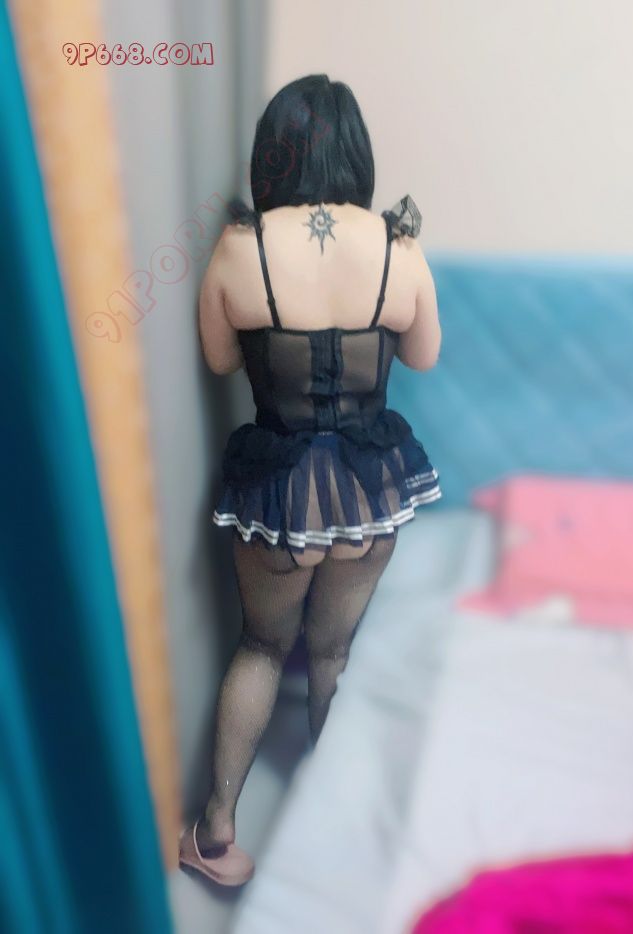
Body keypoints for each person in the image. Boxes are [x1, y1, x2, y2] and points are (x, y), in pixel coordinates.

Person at [179, 74, 442, 887]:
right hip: (367, 488)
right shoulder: (398, 246)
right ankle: (337, 833)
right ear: (356, 152)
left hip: (279, 488)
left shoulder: (241, 246)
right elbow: (425, 354)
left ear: (274, 150)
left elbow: (219, 359)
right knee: (333, 653)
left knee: (263, 645)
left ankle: (215, 836)